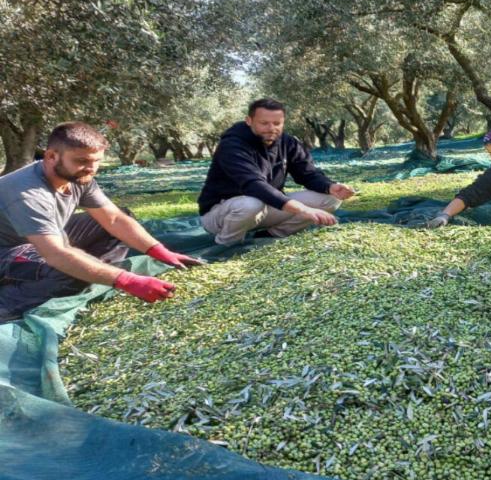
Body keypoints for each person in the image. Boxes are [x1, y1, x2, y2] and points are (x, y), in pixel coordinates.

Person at [0, 122, 201, 321]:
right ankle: (8, 305)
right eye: (82, 161)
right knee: (68, 270)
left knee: (120, 219)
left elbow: (114, 219)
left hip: (35, 237)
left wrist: (160, 252)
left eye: (97, 161)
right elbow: (56, 254)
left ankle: (93, 274)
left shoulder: (78, 177)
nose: (91, 168)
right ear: (52, 156)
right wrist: (127, 281)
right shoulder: (27, 194)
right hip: (7, 249)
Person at [198, 98, 356, 245]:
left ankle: (270, 235)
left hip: (267, 206)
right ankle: (226, 245)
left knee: (331, 199)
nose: (271, 128)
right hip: (223, 213)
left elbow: (308, 174)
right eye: (264, 123)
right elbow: (253, 184)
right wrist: (303, 209)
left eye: (277, 123)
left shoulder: (288, 143)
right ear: (249, 121)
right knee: (251, 204)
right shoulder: (232, 145)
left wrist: (330, 186)